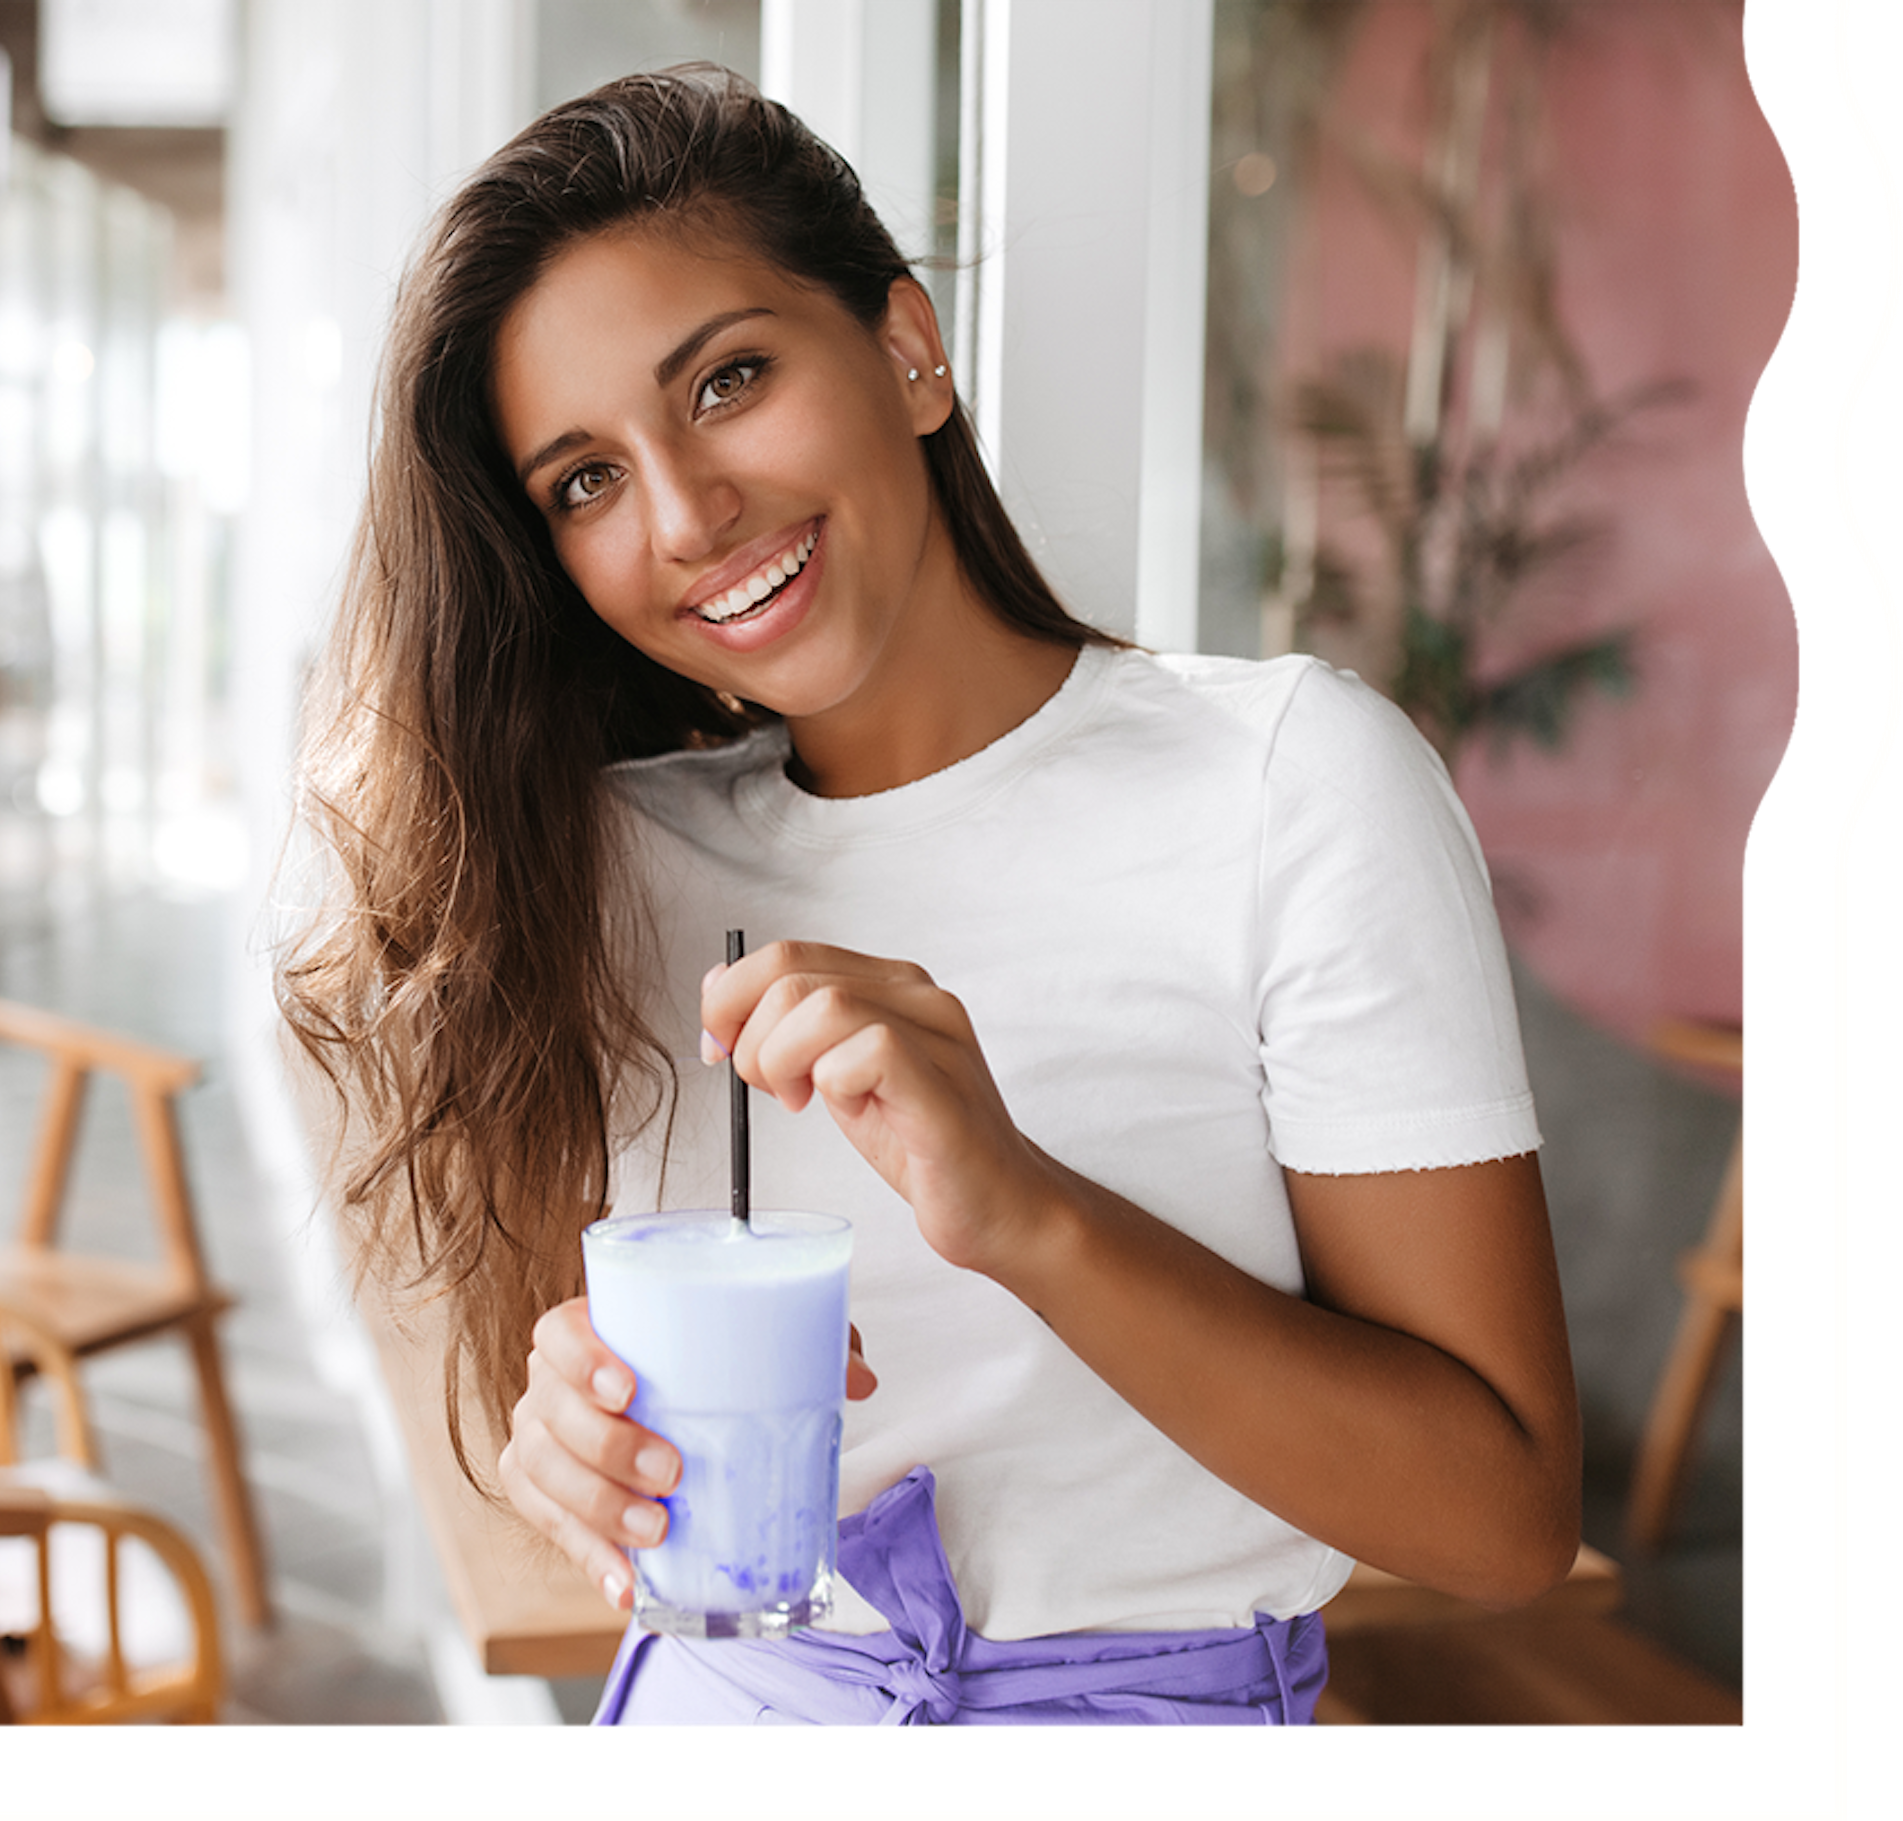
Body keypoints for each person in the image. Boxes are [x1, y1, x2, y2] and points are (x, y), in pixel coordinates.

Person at [278, 62, 1581, 1727]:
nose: (685, 516)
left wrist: (1025, 1212)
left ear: (906, 350)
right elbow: (596, 1415)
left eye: (728, 380)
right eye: (584, 481)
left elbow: (1505, 1521)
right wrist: (569, 1432)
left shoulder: (1289, 786)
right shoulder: (599, 863)